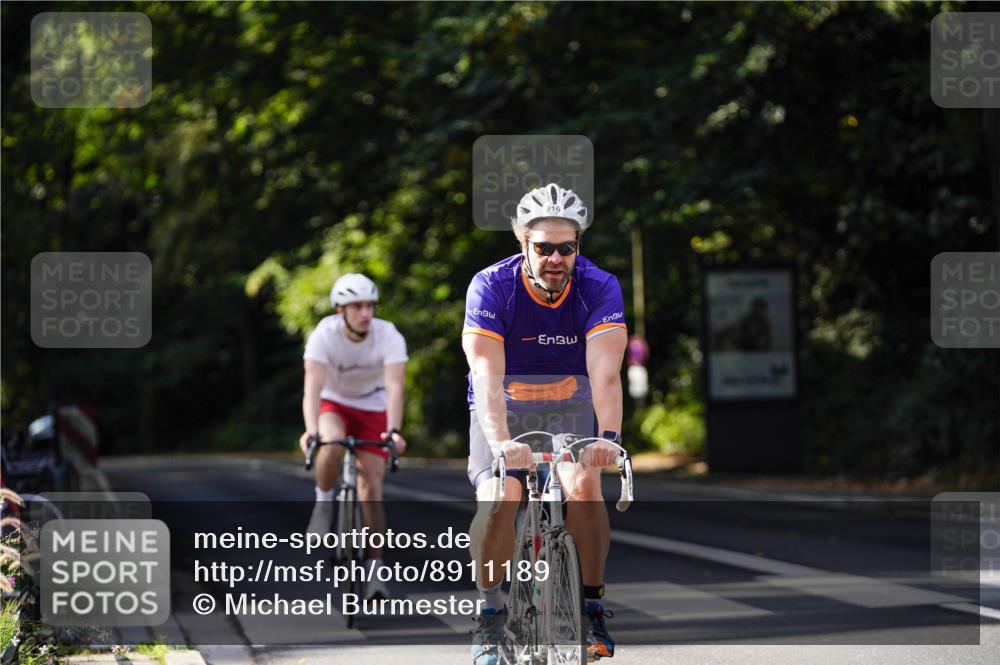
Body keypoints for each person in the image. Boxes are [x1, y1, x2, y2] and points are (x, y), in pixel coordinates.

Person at [463, 184, 627, 662]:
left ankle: (591, 605)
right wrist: (500, 443)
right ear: (522, 245)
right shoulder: (491, 286)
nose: (556, 258)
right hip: (504, 406)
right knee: (500, 498)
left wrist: (609, 439)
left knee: (585, 486)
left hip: (569, 404)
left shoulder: (599, 286)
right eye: (544, 248)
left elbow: (605, 374)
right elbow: (487, 376)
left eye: (567, 247)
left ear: (578, 246)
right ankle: (491, 615)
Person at [299, 272, 408, 601]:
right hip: (335, 402)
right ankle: (322, 507)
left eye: (369, 306)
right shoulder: (324, 335)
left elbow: (395, 387)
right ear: (340, 311)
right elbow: (312, 389)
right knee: (330, 445)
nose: (365, 314)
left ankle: (375, 573)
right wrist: (311, 428)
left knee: (371, 488)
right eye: (356, 307)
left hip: (373, 405)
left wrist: (394, 430)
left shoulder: (388, 335)